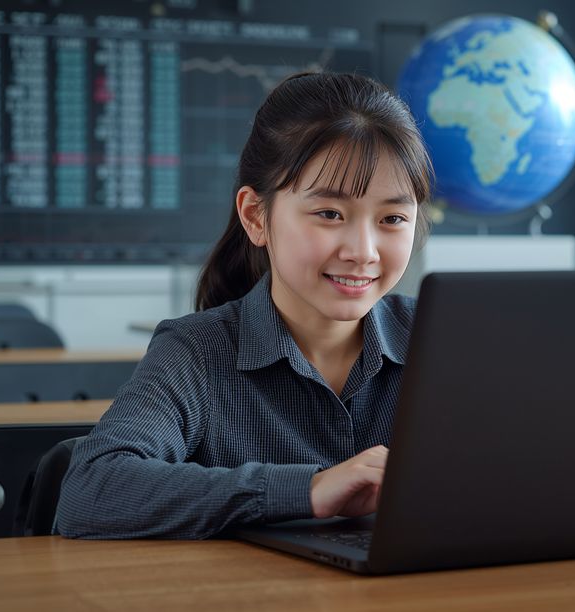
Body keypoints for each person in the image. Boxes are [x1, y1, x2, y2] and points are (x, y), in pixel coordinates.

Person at [56, 72, 434, 539]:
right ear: (257, 217)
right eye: (329, 214)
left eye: (392, 218)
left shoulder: (443, 338)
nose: (364, 250)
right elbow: (91, 490)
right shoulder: (196, 352)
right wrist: (307, 490)